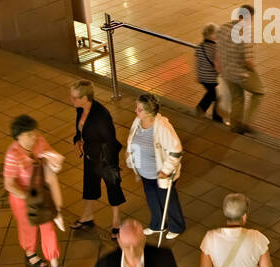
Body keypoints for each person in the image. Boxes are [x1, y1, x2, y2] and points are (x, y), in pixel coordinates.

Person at [4, 115, 70, 267]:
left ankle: (55, 266)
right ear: (18, 136)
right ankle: (30, 252)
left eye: (34, 133)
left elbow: (49, 155)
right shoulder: (13, 154)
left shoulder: (39, 140)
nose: (33, 137)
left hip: (41, 193)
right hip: (22, 198)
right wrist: (29, 198)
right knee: (28, 227)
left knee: (47, 226)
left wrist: (54, 160)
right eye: (28, 135)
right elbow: (9, 184)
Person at [68, 79, 125, 240]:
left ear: (85, 98)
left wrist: (110, 165)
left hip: (105, 158)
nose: (71, 100)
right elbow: (80, 130)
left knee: (113, 188)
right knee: (89, 185)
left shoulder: (101, 116)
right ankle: (87, 216)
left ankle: (116, 223)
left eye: (74, 98)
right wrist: (77, 140)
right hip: (90, 155)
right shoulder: (81, 110)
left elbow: (110, 141)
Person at [126, 94, 186, 241]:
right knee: (152, 199)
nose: (136, 111)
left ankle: (176, 226)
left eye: (139, 109)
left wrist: (166, 170)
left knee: (168, 200)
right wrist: (130, 156)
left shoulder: (163, 127)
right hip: (145, 172)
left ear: (148, 112)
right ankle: (158, 224)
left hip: (160, 174)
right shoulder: (138, 121)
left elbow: (176, 151)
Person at [215, 4, 264, 133]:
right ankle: (246, 123)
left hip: (227, 72)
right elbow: (248, 60)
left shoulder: (223, 28)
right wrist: (253, 69)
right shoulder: (245, 33)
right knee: (259, 92)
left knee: (237, 98)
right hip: (241, 74)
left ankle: (236, 125)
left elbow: (218, 49)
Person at [193, 23, 223, 123]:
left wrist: (197, 75)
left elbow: (196, 61)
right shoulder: (215, 48)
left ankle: (210, 113)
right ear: (213, 35)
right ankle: (214, 117)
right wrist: (222, 74)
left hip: (202, 77)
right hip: (212, 78)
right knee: (218, 96)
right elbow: (217, 65)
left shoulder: (200, 46)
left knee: (213, 94)